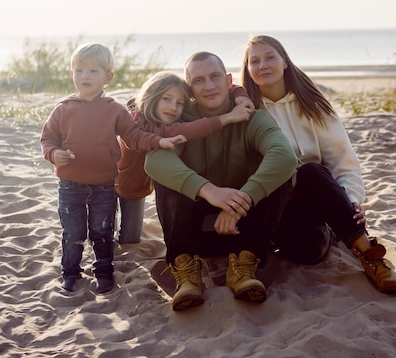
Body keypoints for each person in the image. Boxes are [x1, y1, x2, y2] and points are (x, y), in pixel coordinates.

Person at [240, 35, 396, 294]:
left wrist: (351, 199)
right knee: (306, 252)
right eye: (255, 61)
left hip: (311, 199)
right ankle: (335, 233)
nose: (263, 65)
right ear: (248, 70)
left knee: (310, 171)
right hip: (272, 210)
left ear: (284, 61)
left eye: (270, 57)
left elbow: (343, 161)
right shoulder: (246, 112)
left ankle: (370, 256)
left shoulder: (313, 105)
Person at [144, 51, 297, 311]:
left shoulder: (252, 118)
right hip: (195, 235)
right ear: (190, 89)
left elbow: (285, 157)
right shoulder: (182, 124)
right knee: (168, 178)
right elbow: (154, 162)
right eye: (199, 80)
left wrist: (241, 201)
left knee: (274, 174)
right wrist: (209, 190)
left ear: (228, 80)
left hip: (243, 231)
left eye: (215, 77)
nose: (210, 86)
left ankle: (244, 270)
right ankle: (187, 272)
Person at [40, 43, 185, 294]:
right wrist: (54, 154)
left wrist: (159, 141)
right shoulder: (63, 109)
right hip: (70, 186)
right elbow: (47, 139)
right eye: (80, 70)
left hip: (104, 186)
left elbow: (135, 137)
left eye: (94, 71)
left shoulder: (115, 110)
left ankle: (104, 271)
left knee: (102, 231)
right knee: (73, 232)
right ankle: (71, 272)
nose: (85, 76)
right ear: (72, 74)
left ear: (108, 77)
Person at [114, 71, 254, 244]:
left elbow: (217, 87)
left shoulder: (169, 118)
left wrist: (241, 94)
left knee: (130, 237)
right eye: (166, 99)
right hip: (118, 184)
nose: (173, 107)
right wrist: (228, 117)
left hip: (141, 188)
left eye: (179, 103)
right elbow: (178, 131)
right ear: (152, 96)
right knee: (115, 233)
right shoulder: (136, 122)